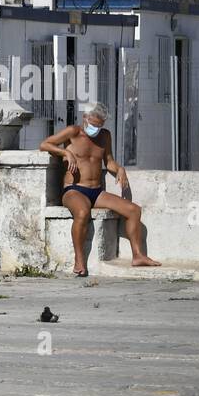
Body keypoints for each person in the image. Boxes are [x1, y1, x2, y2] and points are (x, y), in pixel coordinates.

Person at [40, 102, 161, 276]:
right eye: (94, 124)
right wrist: (66, 153)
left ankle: (138, 255)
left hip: (96, 191)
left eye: (100, 125)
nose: (96, 128)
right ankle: (79, 260)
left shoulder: (105, 136)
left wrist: (119, 169)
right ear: (85, 118)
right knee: (82, 212)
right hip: (74, 190)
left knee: (133, 210)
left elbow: (109, 161)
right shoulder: (73, 132)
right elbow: (45, 144)